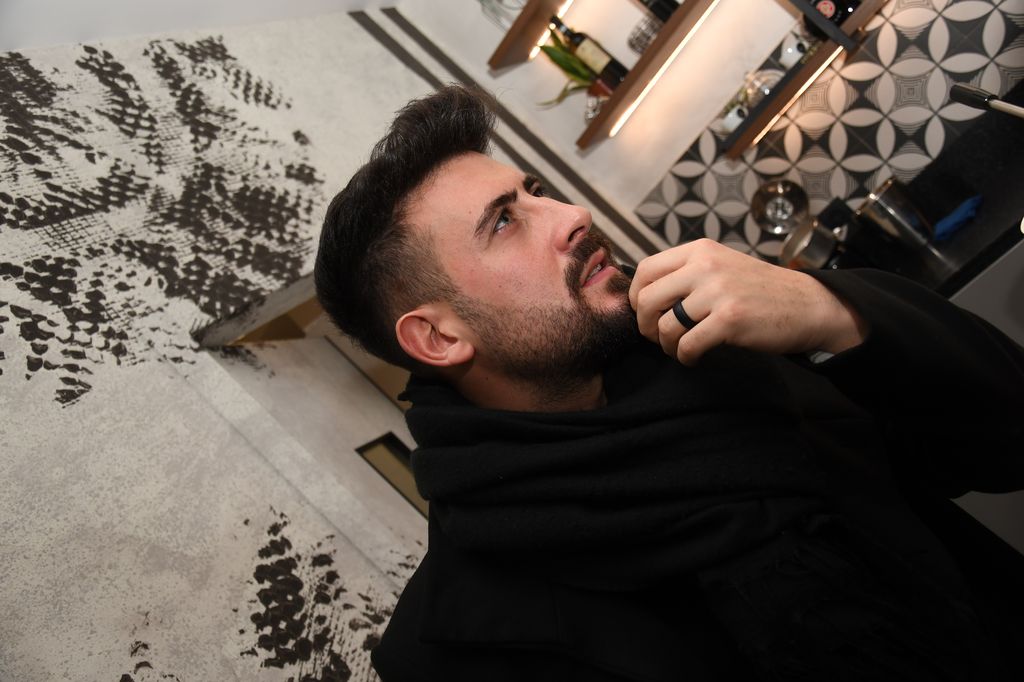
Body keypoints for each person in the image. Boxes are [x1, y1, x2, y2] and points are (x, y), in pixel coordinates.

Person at [314, 85, 1024, 681]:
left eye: (536, 192)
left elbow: (1005, 444)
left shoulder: (723, 356)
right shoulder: (455, 654)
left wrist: (832, 312)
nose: (573, 216)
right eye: (504, 222)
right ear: (438, 339)